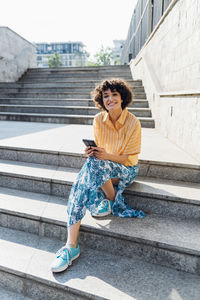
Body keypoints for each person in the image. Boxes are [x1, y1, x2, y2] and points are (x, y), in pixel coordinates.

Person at [51, 78, 146, 273]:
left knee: (92, 168)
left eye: (114, 95)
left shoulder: (133, 122)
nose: (110, 99)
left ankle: (111, 199)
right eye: (105, 96)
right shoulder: (98, 120)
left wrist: (103, 156)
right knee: (89, 168)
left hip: (126, 170)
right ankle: (71, 246)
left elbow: (128, 159)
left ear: (122, 98)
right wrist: (93, 152)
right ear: (101, 100)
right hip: (104, 166)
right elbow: (99, 152)